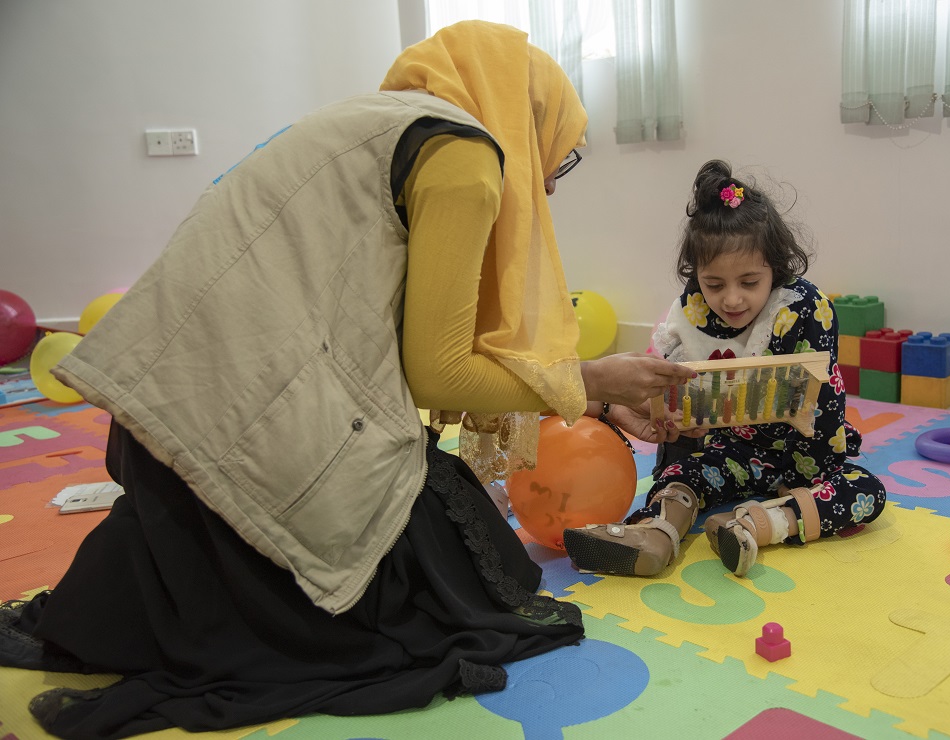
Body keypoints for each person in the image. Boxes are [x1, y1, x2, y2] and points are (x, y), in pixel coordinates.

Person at [0, 21, 695, 739]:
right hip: (242, 420)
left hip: (165, 407)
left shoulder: (382, 123)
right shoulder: (464, 157)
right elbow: (437, 375)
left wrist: (596, 396)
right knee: (469, 578)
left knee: (451, 516)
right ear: (528, 113)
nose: (550, 178)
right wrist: (593, 382)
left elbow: (405, 356)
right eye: (561, 150)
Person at [564, 159, 887, 579]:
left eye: (749, 283)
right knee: (683, 473)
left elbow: (825, 407)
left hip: (806, 457)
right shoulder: (695, 309)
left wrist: (816, 474)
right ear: (697, 275)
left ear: (776, 266)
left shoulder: (802, 310)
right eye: (714, 284)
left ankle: (754, 527)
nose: (731, 300)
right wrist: (677, 418)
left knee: (866, 491)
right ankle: (656, 532)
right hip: (732, 454)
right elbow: (679, 386)